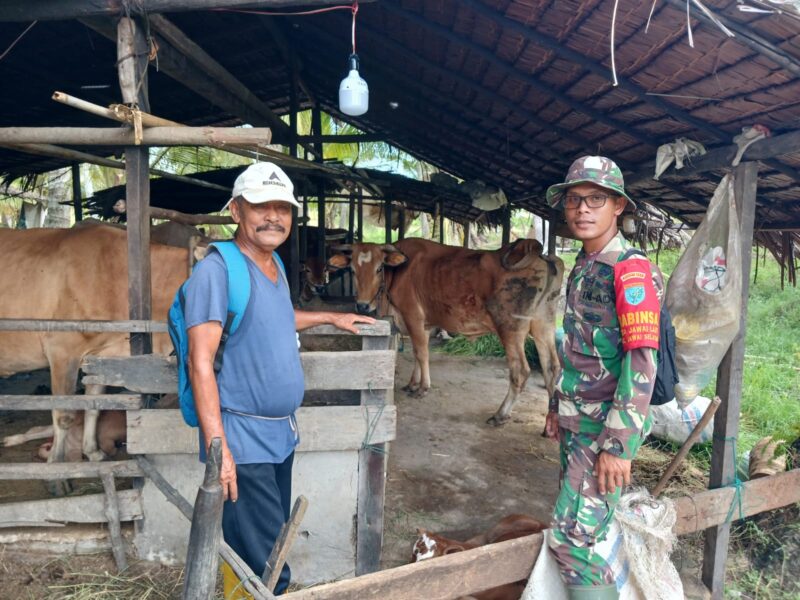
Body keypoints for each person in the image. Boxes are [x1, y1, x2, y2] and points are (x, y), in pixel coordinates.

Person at [183, 162, 374, 593]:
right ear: (235, 211)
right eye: (260, 206)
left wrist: (329, 316)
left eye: (282, 208)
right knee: (266, 554)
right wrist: (221, 452)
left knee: (259, 541)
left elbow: (276, 318)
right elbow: (200, 362)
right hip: (241, 440)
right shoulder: (216, 271)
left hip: (277, 433)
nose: (273, 216)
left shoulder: (272, 266)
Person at [543, 156, 664, 600]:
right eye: (575, 199)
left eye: (596, 199)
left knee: (571, 540)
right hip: (578, 420)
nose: (582, 209)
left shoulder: (629, 270)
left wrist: (618, 446)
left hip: (603, 430)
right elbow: (576, 349)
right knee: (586, 529)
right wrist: (558, 405)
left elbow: (641, 360)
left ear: (618, 207)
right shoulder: (584, 264)